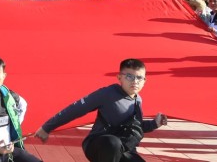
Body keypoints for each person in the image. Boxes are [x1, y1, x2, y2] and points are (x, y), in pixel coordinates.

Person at [35, 58, 168, 162]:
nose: (135, 81)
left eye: (139, 78)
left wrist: (155, 123)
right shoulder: (107, 94)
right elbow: (75, 109)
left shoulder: (137, 100)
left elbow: (135, 126)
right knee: (113, 143)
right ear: (119, 77)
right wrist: (47, 127)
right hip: (99, 145)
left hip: (124, 149)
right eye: (129, 76)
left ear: (145, 81)